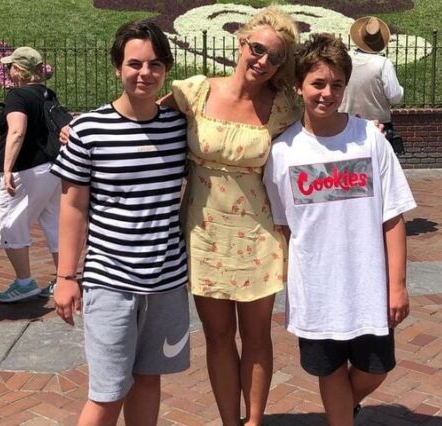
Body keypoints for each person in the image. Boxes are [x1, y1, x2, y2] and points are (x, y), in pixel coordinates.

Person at [263, 33, 416, 425]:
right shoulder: (282, 153)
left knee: (375, 369)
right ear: (299, 86)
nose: (327, 93)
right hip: (318, 289)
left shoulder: (369, 141)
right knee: (329, 370)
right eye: (317, 83)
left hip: (369, 286)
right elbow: (285, 227)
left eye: (336, 85)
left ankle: (343, 407)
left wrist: (397, 285)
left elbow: (393, 217)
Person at [160, 6, 301, 425]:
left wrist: (366, 128)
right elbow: (142, 116)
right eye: (258, 49)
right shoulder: (196, 91)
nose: (263, 61)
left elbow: (319, 133)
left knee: (257, 336)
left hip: (258, 234)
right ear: (242, 43)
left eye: (275, 57)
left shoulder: (283, 107)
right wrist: (78, 128)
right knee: (219, 337)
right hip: (204, 233)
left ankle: (253, 421)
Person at [52, 21, 190, 426]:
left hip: (166, 279)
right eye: (134, 64)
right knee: (108, 393)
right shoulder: (88, 130)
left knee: (148, 380)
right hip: (110, 280)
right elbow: (72, 206)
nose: (145, 73)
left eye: (155, 64)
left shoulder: (179, 127)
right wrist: (65, 276)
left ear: (166, 70)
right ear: (117, 68)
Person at [0, 47, 60, 302]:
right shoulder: (46, 93)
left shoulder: (17, 96)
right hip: (53, 166)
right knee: (54, 222)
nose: (8, 70)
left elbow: (17, 131)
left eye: (11, 66)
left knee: (10, 224)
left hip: (27, 167)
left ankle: (24, 282)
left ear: (19, 70)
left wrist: (7, 168)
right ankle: (63, 278)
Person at [338, 16, 405, 154]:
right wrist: (401, 90)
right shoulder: (383, 64)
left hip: (346, 122)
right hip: (378, 125)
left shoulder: (344, 59)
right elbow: (395, 97)